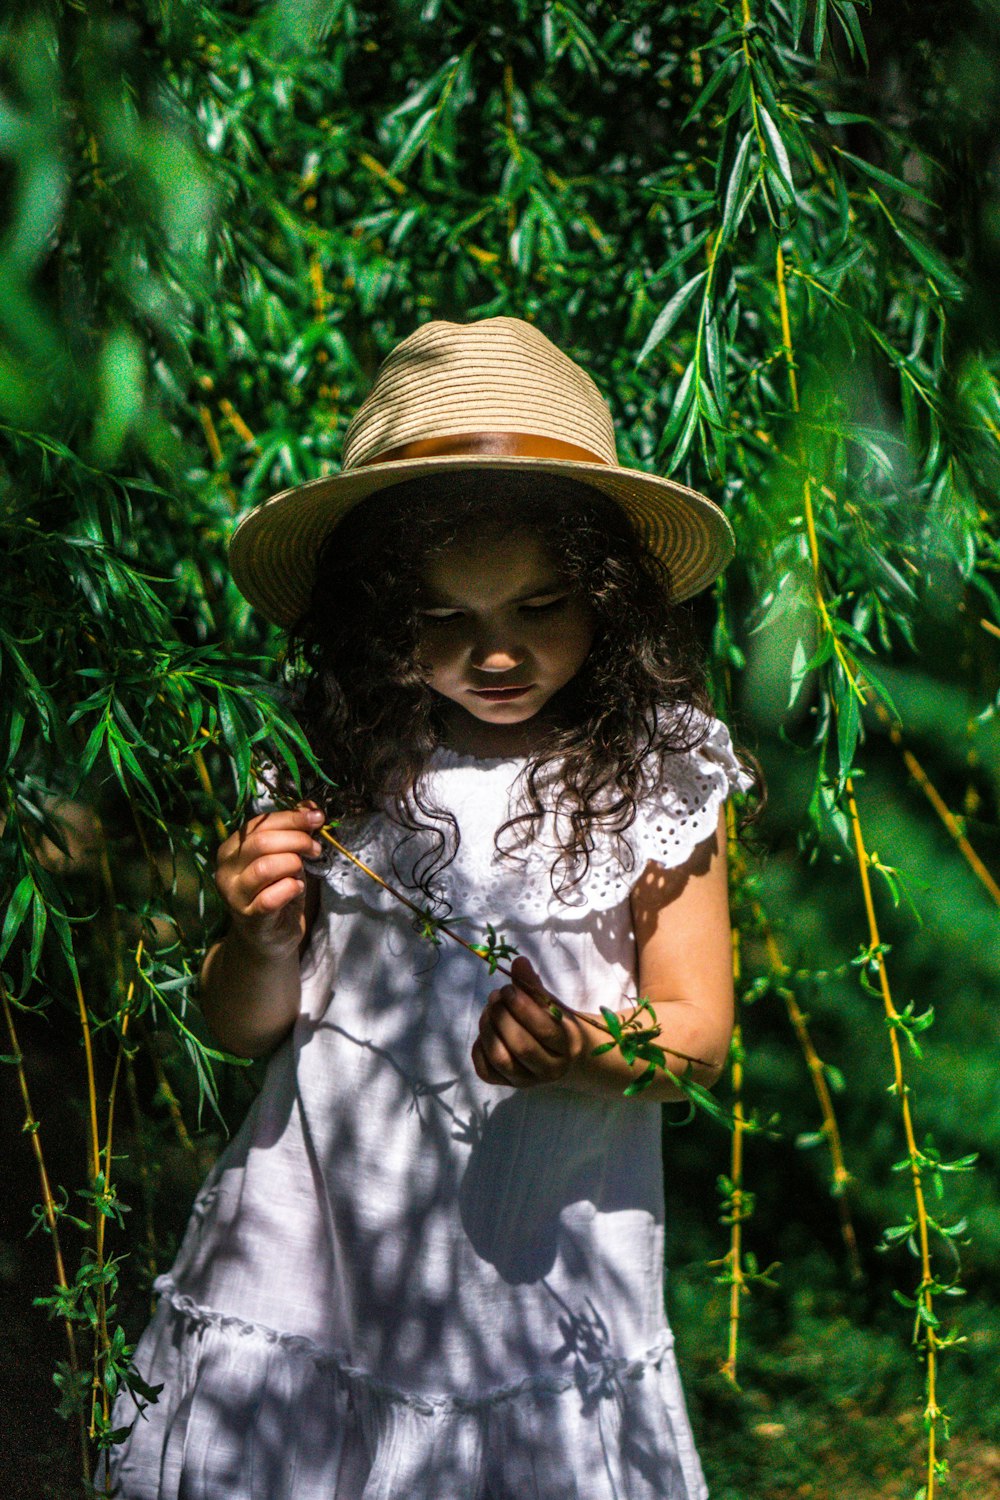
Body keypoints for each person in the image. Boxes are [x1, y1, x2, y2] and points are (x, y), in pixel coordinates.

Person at [106, 316, 754, 1500]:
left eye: (537, 606)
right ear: (375, 617)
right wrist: (253, 933)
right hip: (309, 1251)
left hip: (533, 1258)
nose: (494, 653)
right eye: (442, 617)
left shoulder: (657, 770)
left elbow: (696, 1032)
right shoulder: (333, 760)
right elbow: (242, 1027)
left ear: (606, 598)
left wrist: (581, 1050)